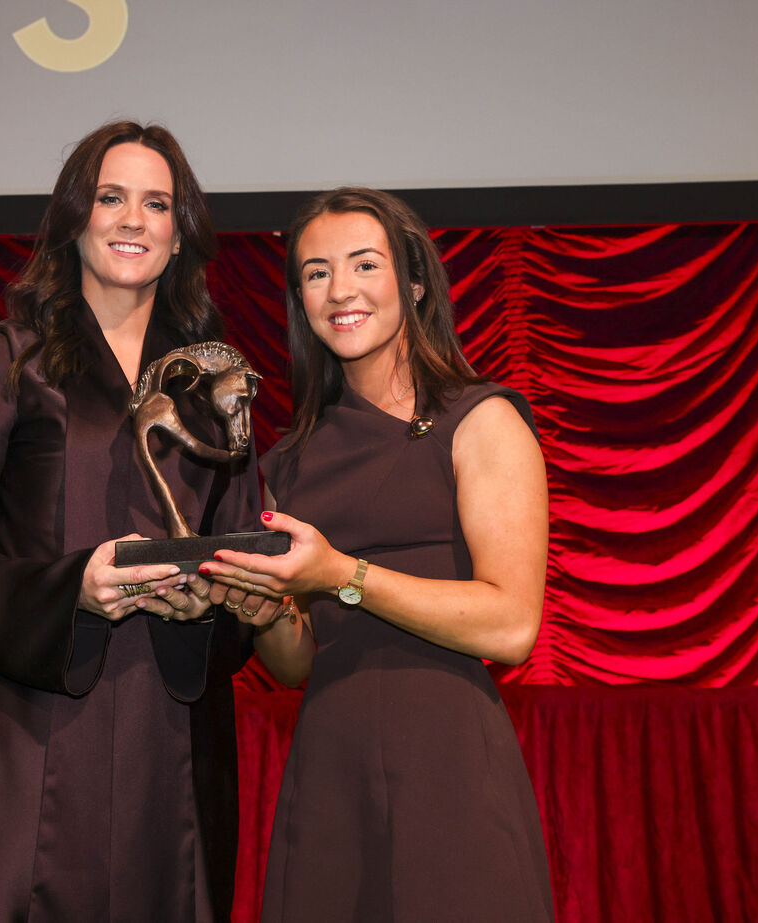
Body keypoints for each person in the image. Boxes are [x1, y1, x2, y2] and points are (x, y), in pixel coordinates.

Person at [0, 121, 269, 923]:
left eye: (157, 204)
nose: (132, 220)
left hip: (175, 732)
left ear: (180, 236)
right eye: (111, 197)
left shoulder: (217, 382)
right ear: (75, 216)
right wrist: (73, 586)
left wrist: (212, 605)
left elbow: (249, 561)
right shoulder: (5, 359)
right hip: (35, 725)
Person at [200, 187, 555, 921]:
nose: (341, 290)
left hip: (448, 761)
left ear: (414, 283)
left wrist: (342, 574)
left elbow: (512, 626)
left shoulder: (481, 419)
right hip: (331, 766)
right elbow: (301, 662)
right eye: (316, 272)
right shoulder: (292, 458)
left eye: (364, 264)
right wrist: (262, 607)